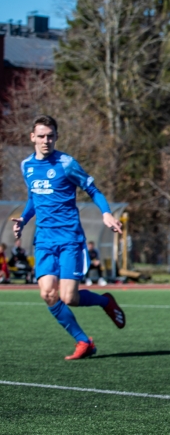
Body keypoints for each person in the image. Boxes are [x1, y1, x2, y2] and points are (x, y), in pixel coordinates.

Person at [11, 115, 127, 360]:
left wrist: (106, 213)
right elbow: (34, 198)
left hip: (69, 239)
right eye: (41, 136)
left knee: (69, 297)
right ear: (32, 137)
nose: (46, 140)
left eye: (50, 136)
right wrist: (23, 219)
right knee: (47, 294)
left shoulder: (66, 163)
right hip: (43, 239)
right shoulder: (27, 166)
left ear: (56, 137)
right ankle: (84, 342)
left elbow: (92, 189)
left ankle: (105, 301)